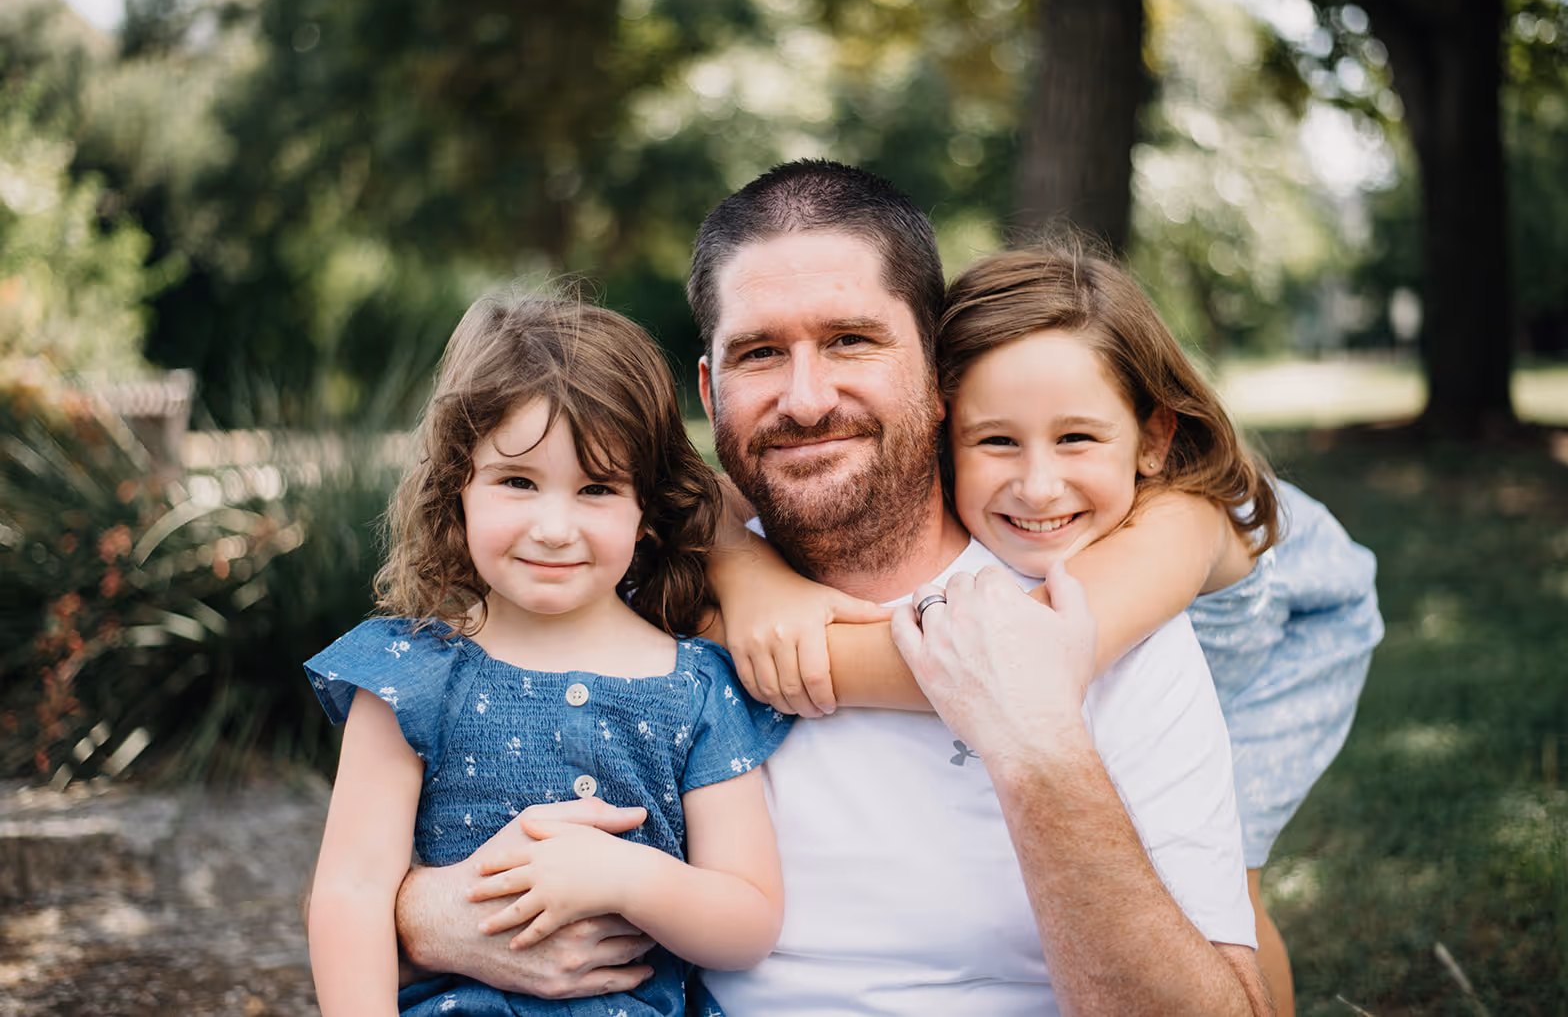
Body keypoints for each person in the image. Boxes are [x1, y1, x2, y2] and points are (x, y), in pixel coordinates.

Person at [391, 161, 1274, 1016]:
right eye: (760, 354)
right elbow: (398, 872)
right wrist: (423, 919)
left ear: (938, 376)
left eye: (850, 340)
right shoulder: (633, 606)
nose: (807, 400)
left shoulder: (1094, 615)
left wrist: (1039, 746)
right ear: (710, 390)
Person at [713, 243, 1385, 1016]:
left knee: (1225, 880)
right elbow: (712, 485)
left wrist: (761, 643)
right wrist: (740, 566)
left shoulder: (1179, 525)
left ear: (1153, 440)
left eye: (1075, 439)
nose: (1037, 485)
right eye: (997, 440)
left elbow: (1006, 668)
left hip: (1285, 643)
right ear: (937, 429)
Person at [302, 293, 790, 1016]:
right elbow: (350, 892)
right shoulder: (412, 674)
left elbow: (749, 917)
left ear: (645, 510)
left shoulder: (694, 686)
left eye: (596, 488)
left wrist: (623, 877)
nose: (554, 527)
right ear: (458, 488)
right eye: (518, 483)